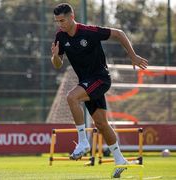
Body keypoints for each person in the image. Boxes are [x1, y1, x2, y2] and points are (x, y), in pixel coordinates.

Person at [51, 3, 148, 178]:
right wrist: (55, 56)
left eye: (63, 20)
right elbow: (57, 64)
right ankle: (120, 160)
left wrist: (132, 56)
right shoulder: (60, 36)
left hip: (101, 79)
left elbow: (119, 34)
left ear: (72, 16)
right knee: (101, 124)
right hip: (87, 83)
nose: (60, 24)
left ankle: (83, 142)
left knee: (72, 97)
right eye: (57, 21)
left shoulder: (89, 31)